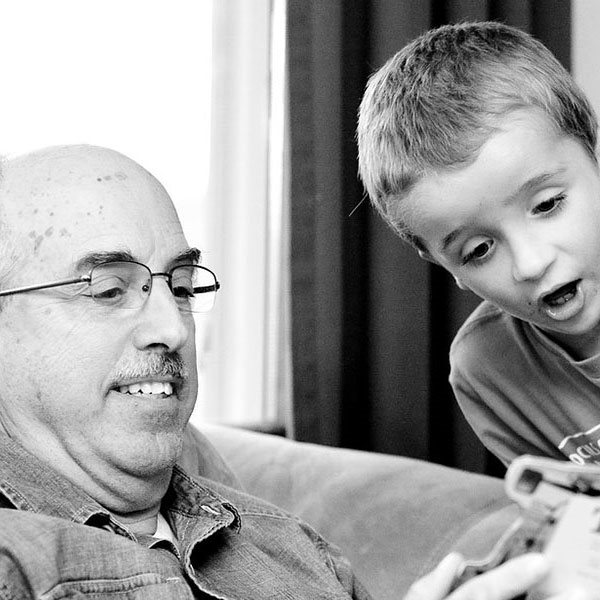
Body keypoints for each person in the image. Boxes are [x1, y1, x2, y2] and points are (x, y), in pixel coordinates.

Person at [0, 143, 572, 599]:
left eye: (180, 285)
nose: (173, 328)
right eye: (107, 290)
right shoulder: (18, 559)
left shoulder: (293, 550)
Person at [357, 20, 600, 470]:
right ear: (445, 265)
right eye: (479, 251)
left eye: (547, 205)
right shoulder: (486, 370)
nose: (531, 263)